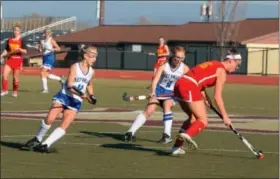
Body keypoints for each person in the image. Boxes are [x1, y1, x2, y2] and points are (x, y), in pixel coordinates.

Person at [21, 45, 98, 153]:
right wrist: (81, 94)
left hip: (76, 101)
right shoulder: (75, 67)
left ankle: (45, 144)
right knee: (49, 119)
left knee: (64, 125)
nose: (94, 59)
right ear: (85, 55)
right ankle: (37, 139)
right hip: (64, 96)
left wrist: (92, 95)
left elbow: (89, 84)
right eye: (93, 56)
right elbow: (70, 85)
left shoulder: (92, 71)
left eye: (96, 56)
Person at [171, 51, 242, 155]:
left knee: (192, 119)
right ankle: (187, 134)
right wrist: (225, 116)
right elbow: (217, 97)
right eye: (237, 65)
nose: (237, 68)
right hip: (189, 86)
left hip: (179, 84)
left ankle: (176, 147)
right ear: (231, 61)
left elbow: (200, 80)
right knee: (203, 121)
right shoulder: (221, 72)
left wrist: (206, 98)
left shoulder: (213, 63)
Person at [124, 46, 189, 144]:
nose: (179, 60)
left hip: (172, 94)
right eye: (177, 58)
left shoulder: (185, 68)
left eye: (181, 58)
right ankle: (130, 132)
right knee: (148, 110)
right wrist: (153, 91)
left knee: (167, 105)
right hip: (159, 91)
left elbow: (189, 82)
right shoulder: (164, 66)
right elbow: (155, 80)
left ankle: (167, 135)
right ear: (172, 56)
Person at [1, 25, 27, 97]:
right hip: (9, 60)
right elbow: (6, 50)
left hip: (17, 60)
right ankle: (4, 90)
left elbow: (25, 51)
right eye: (15, 30)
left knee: (15, 78)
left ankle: (15, 91)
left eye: (17, 30)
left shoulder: (22, 40)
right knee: (4, 75)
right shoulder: (9, 40)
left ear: (20, 31)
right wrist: (2, 55)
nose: (16, 31)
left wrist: (20, 49)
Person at [39, 28, 64, 93]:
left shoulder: (51, 40)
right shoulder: (42, 41)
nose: (46, 33)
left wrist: (53, 49)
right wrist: (39, 49)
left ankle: (45, 89)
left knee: (42, 72)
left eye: (48, 32)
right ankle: (60, 79)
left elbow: (59, 48)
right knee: (46, 74)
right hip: (44, 57)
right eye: (45, 32)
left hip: (50, 57)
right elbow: (42, 50)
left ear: (50, 33)